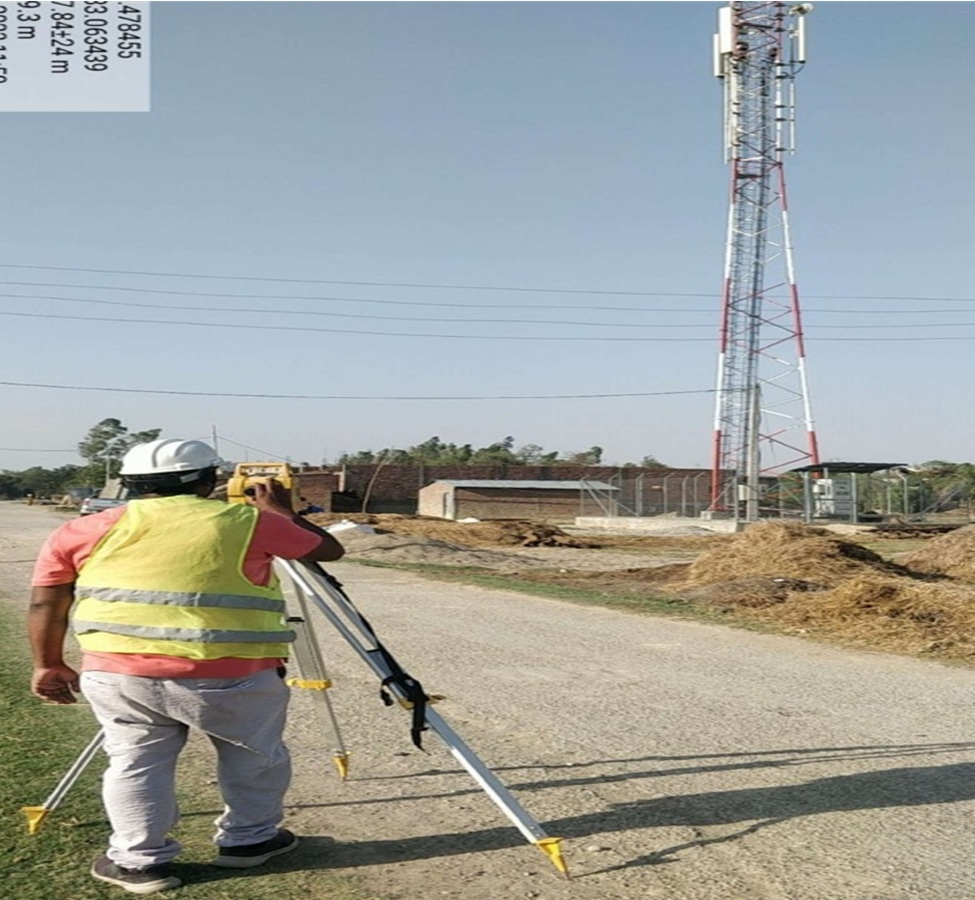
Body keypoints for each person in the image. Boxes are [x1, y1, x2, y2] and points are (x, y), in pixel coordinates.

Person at [27, 438, 345, 895]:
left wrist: (47, 664)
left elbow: (46, 600)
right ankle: (249, 841)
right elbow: (327, 550)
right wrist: (283, 511)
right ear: (210, 481)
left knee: (135, 762)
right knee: (254, 757)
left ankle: (138, 862)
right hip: (233, 673)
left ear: (130, 483)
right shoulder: (248, 522)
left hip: (119, 675)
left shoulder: (84, 529)